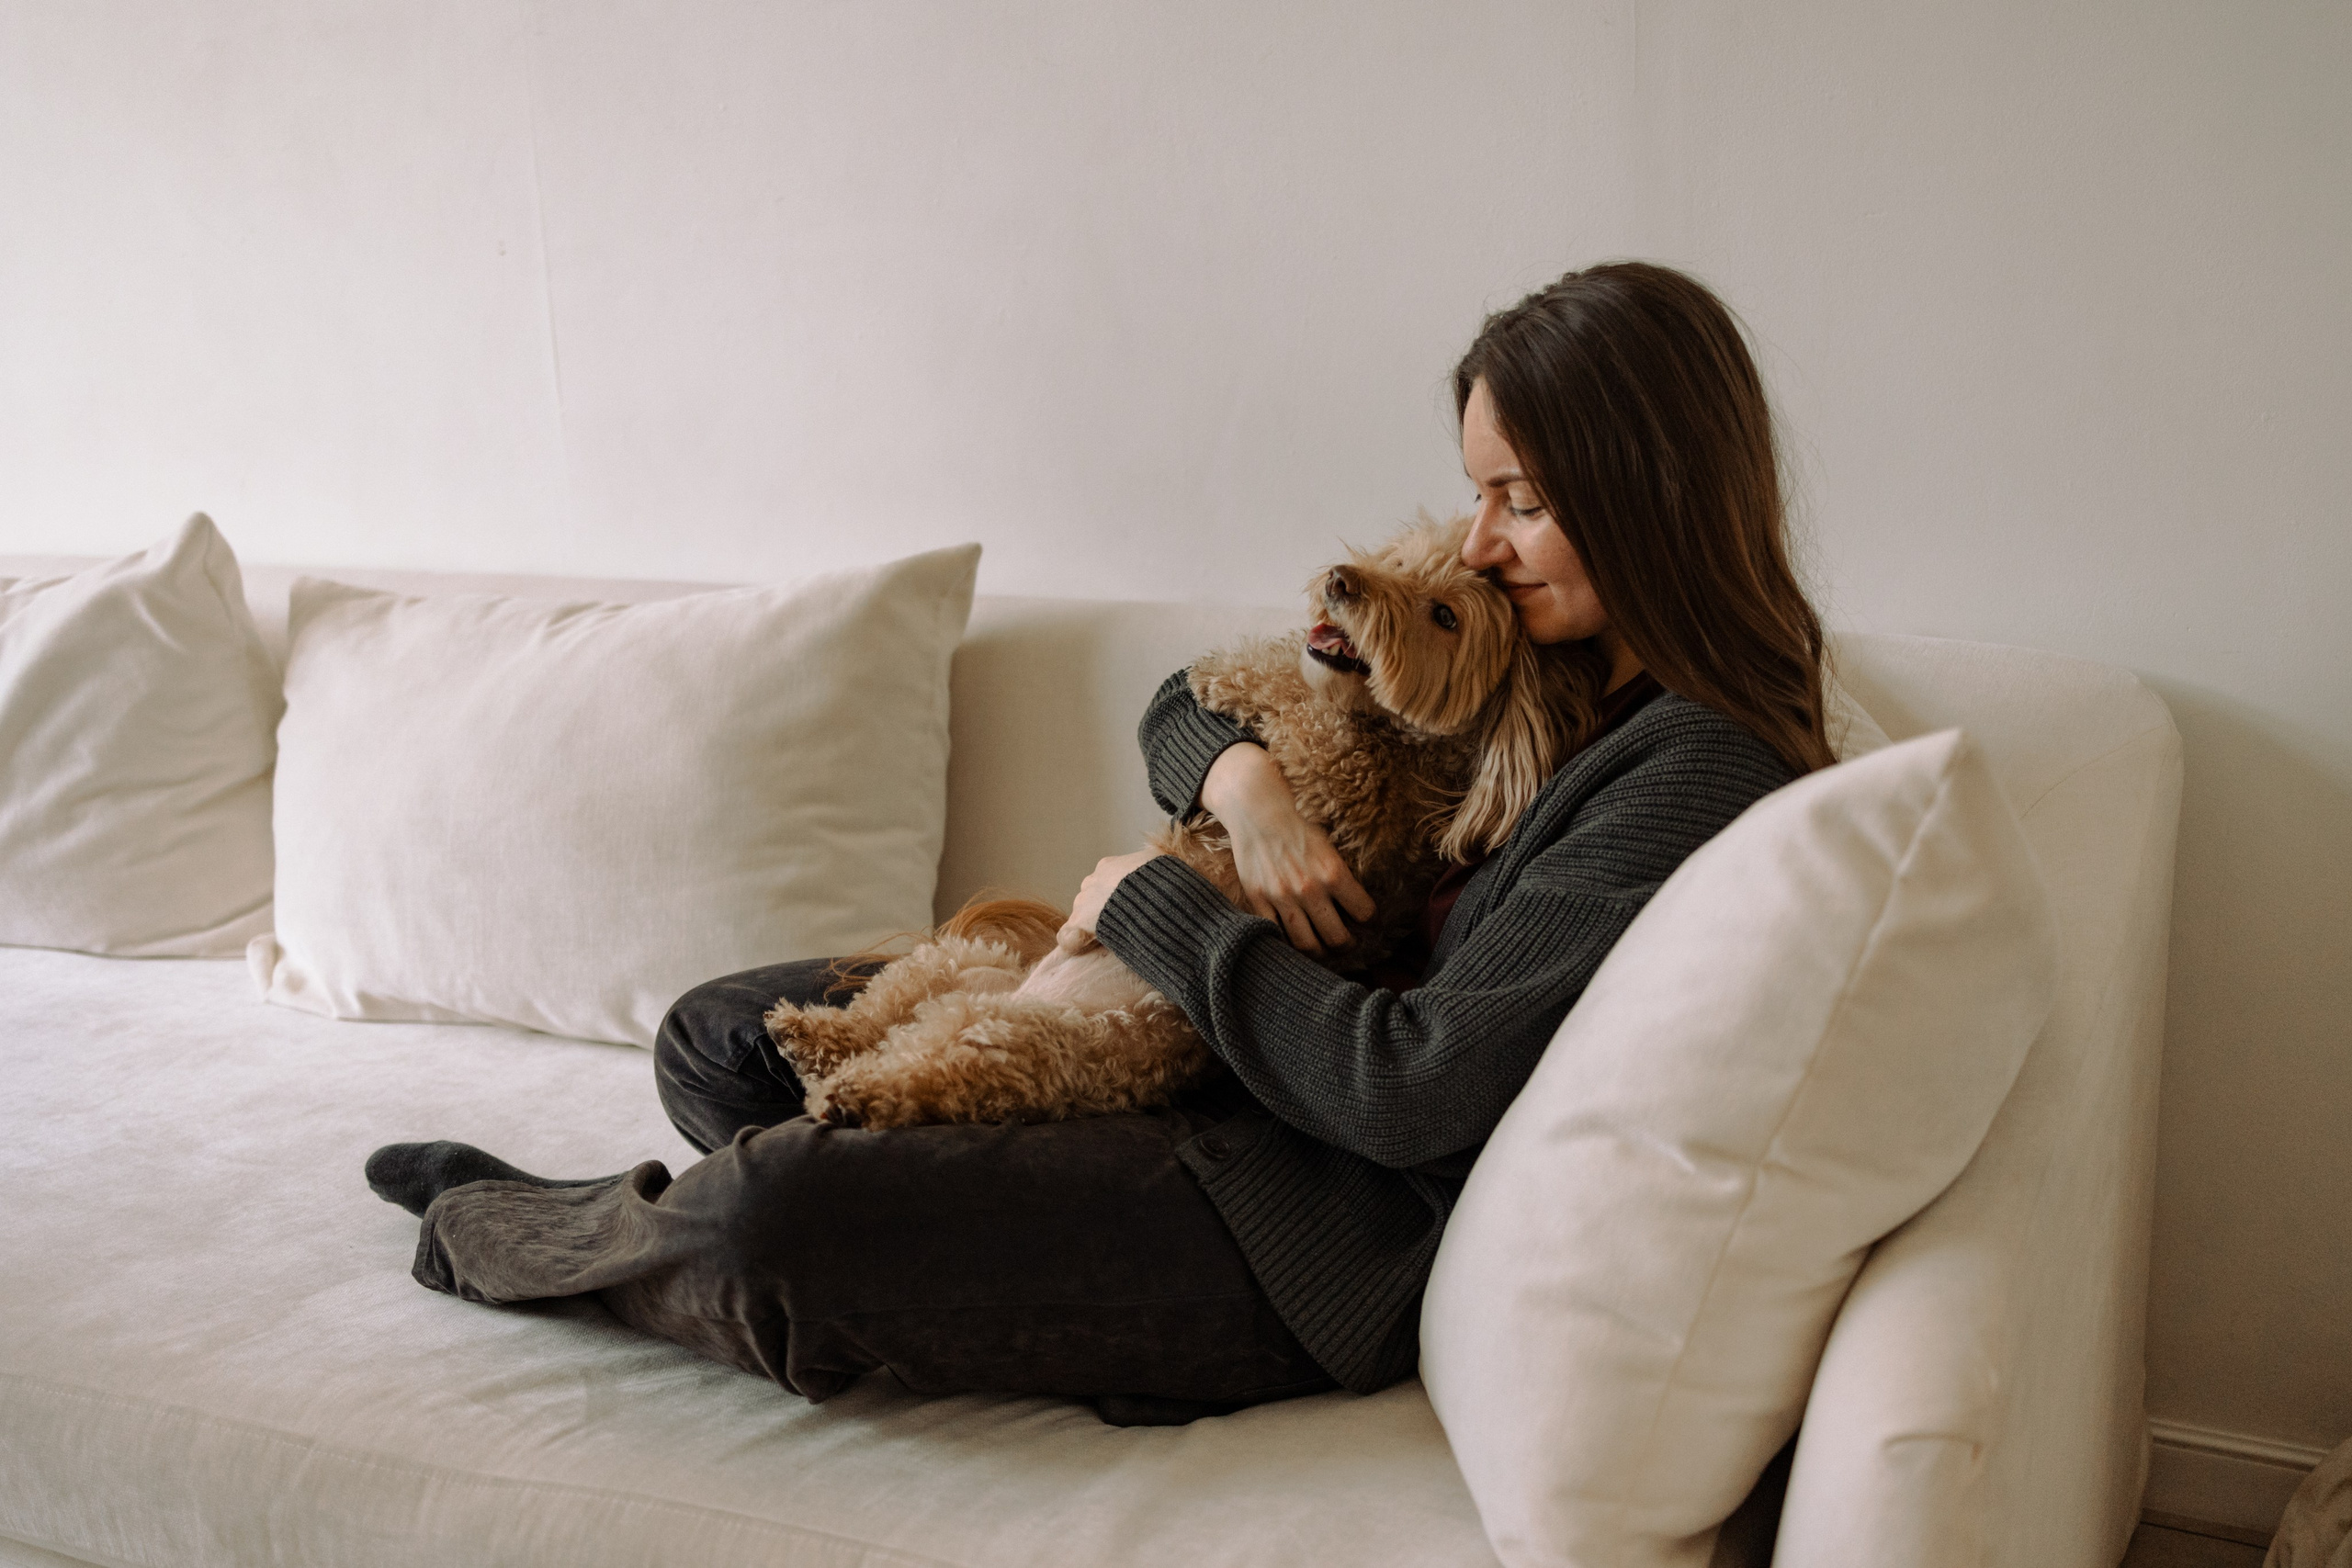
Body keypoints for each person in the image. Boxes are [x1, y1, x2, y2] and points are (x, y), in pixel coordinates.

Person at [364, 260, 1833, 1427]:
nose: (1484, 541)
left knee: (782, 1222)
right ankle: (806, 1208)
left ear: (1652, 489)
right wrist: (1248, 795)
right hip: (1218, 1077)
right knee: (718, 1038)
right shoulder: (1544, 665)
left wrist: (1157, 912)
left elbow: (1409, 1092)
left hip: (1300, 1221)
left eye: (1524, 499)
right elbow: (1192, 702)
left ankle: (549, 1233)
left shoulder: (1692, 760)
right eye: (1478, 492)